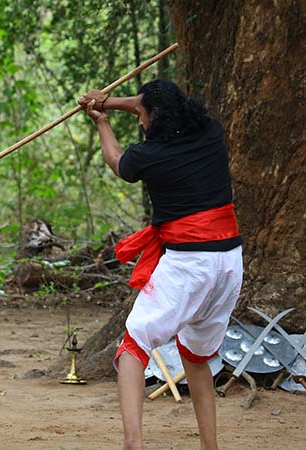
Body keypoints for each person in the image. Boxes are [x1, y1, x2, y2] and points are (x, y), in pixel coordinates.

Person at [78, 80, 243, 450]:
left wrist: (101, 121)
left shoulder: (149, 155)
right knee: (196, 356)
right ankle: (209, 447)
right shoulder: (211, 133)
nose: (138, 120)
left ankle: (133, 443)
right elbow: (148, 102)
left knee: (133, 346)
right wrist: (105, 102)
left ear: (154, 117)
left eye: (141, 115)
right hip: (230, 263)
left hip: (189, 264)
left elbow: (117, 161)